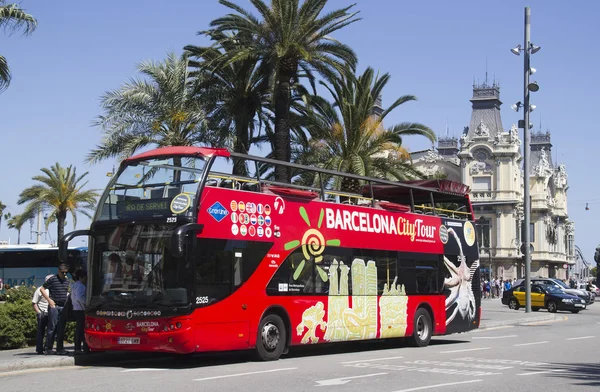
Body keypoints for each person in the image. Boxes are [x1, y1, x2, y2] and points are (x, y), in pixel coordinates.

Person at [41, 263, 71, 355]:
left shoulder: (66, 281)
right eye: (62, 272)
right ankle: (48, 348)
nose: (64, 274)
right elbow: (42, 289)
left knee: (61, 328)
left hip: (63, 306)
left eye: (66, 272)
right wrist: (49, 300)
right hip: (54, 306)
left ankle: (60, 348)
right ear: (58, 271)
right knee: (52, 327)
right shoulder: (53, 279)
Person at [32, 275, 54, 355]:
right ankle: (39, 349)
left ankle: (47, 347)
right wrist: (39, 313)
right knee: (41, 332)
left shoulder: (53, 290)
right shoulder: (39, 290)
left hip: (51, 313)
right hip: (42, 312)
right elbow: (34, 303)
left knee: (51, 331)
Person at [71, 269, 89, 354]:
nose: (86, 280)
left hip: (76, 309)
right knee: (82, 329)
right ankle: (82, 347)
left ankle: (77, 347)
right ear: (81, 277)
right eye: (85, 277)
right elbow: (79, 298)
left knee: (79, 329)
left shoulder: (75, 285)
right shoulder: (81, 286)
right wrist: (87, 303)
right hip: (81, 309)